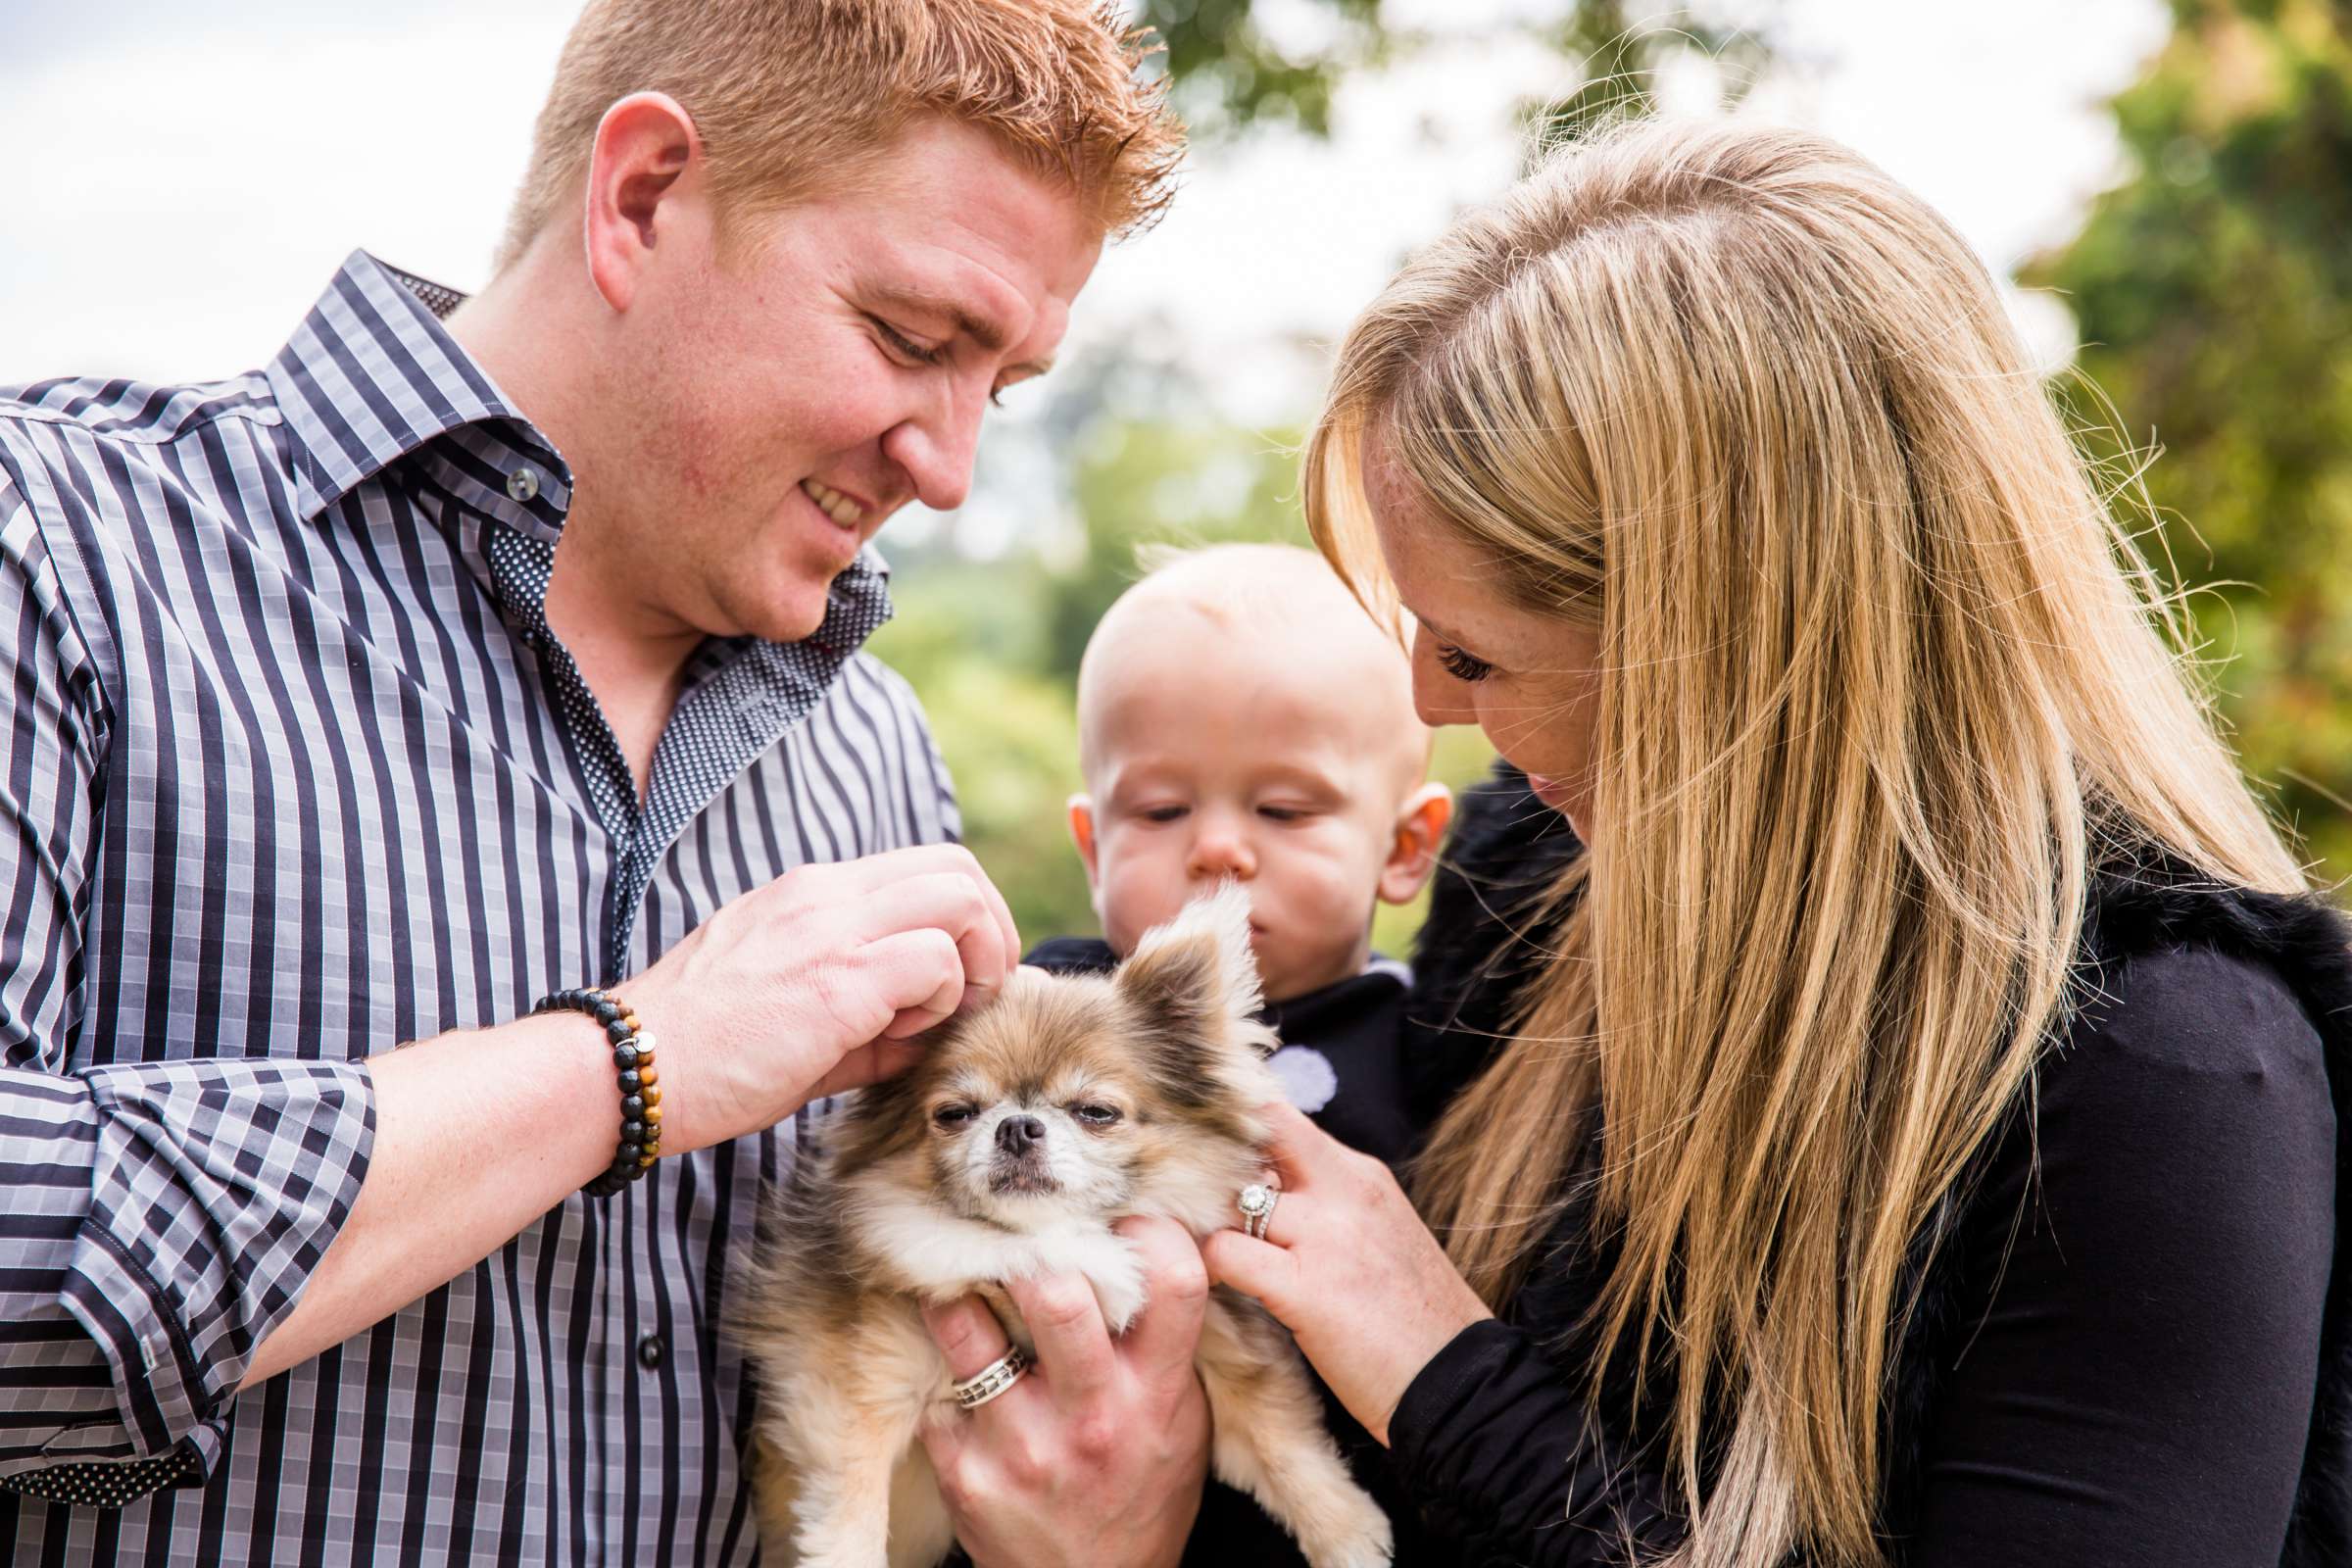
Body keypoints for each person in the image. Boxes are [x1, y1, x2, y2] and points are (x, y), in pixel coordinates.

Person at [0, 4, 1217, 1565]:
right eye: (915, 341)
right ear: (640, 198)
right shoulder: (62, 553)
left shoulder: (873, 757)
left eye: (1009, 383)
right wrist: (629, 1067)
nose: (953, 464)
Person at [1191, 120, 2352, 1566]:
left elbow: (1427, 1415)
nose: (1424, 701)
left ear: (1719, 647)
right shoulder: (1531, 886)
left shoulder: (2163, 1078)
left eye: (1474, 651)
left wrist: (1441, 1376)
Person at [1023, 543, 1455, 1166]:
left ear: (1405, 848)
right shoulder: (1049, 1002)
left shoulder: (1436, 1049)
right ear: (1094, 850)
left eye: (1284, 810)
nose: (1217, 850)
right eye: (1161, 811)